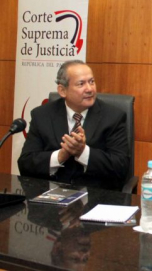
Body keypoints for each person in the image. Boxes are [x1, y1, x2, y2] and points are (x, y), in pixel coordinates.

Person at [18, 60, 129, 190]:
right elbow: (25, 164)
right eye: (81, 84)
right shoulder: (42, 115)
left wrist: (83, 152)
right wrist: (60, 156)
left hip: (95, 197)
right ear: (62, 90)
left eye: (91, 82)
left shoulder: (113, 117)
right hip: (52, 195)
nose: (89, 89)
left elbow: (120, 167)